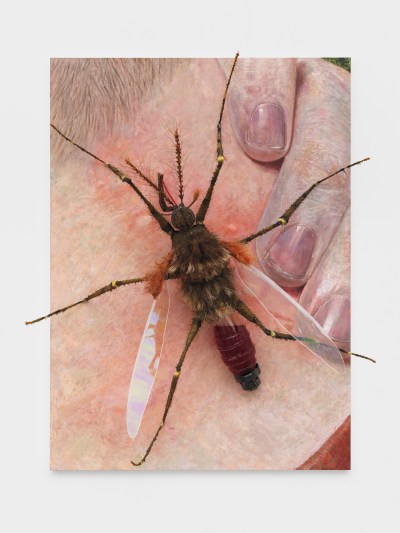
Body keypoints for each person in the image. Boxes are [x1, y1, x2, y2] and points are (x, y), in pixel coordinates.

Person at [49, 57, 351, 469]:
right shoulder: (199, 237)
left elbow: (203, 177)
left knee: (207, 345)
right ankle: (158, 429)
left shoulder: (180, 245)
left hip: (220, 317)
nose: (182, 214)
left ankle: (160, 428)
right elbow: (217, 171)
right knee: (243, 333)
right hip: (225, 318)